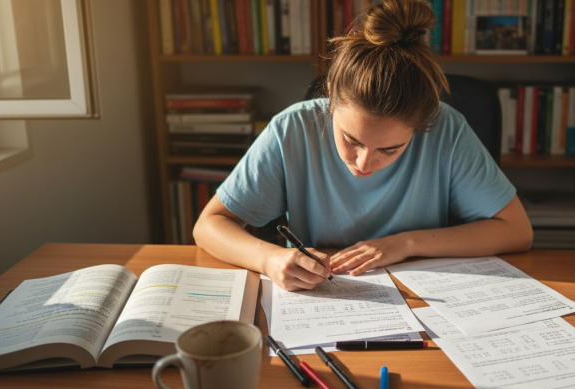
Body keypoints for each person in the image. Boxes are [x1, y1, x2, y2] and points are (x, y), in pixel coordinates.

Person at [193, 0, 533, 291]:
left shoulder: (447, 129)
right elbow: (209, 225)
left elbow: (517, 231)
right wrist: (269, 258)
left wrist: (405, 244)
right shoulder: (292, 129)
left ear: (421, 125)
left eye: (390, 150)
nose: (364, 164)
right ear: (330, 99)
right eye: (350, 140)